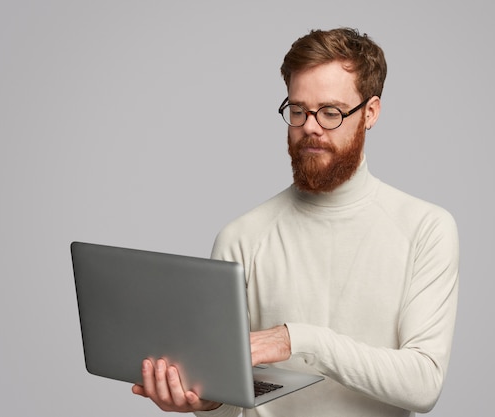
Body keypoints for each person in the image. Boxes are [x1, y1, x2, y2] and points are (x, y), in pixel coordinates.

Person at [132, 27, 459, 417]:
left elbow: (423, 384)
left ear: (370, 113)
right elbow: (225, 399)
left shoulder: (426, 229)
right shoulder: (241, 237)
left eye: (331, 112)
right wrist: (207, 400)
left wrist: (299, 341)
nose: (310, 127)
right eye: (299, 110)